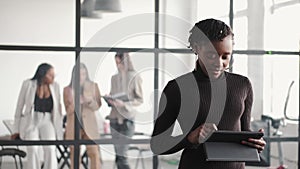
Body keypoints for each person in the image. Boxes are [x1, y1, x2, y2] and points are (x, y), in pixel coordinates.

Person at [150, 18, 266, 169]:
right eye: (211, 55)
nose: (219, 63)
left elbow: (244, 132)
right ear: (197, 48)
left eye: (225, 56)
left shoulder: (243, 85)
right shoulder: (176, 88)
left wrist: (255, 142)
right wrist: (190, 138)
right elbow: (158, 145)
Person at [11, 63, 63, 169]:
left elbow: (58, 110)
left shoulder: (55, 86)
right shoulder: (28, 84)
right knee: (33, 148)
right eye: (50, 75)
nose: (53, 77)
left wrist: (59, 129)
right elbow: (19, 107)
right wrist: (15, 130)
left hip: (47, 120)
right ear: (43, 74)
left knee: (50, 148)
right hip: (32, 120)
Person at [105, 52, 143, 169]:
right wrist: (109, 99)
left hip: (127, 120)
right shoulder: (114, 78)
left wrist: (124, 104)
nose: (118, 66)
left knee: (122, 156)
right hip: (114, 120)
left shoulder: (135, 77)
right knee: (118, 156)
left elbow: (140, 99)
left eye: (119, 63)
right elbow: (113, 94)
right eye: (116, 63)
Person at [63, 63, 102, 169]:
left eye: (84, 74)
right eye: (79, 75)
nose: (82, 77)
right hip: (74, 126)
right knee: (75, 156)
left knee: (94, 153)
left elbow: (97, 106)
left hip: (90, 126)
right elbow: (68, 111)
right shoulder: (67, 89)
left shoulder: (93, 86)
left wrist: (89, 101)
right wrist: (76, 102)